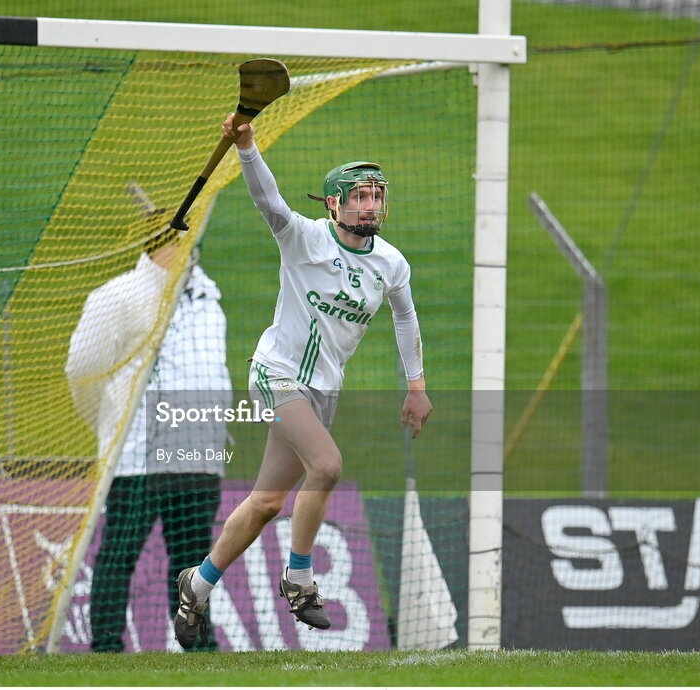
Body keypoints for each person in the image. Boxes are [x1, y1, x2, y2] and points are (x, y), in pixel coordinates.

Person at [173, 114, 433, 649]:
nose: (370, 205)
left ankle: (196, 585)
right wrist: (246, 146)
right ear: (334, 204)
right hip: (275, 374)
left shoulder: (391, 264)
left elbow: (405, 319)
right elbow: (268, 200)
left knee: (267, 502)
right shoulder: (304, 238)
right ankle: (298, 577)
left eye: (376, 196)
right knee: (328, 466)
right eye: (359, 196)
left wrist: (416, 386)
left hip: (321, 391)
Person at [66, 215, 230, 653]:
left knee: (195, 562)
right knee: (120, 553)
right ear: (160, 244)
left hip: (197, 458)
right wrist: (111, 425)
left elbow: (215, 372)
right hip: (138, 455)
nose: (193, 249)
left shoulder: (207, 297)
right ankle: (105, 647)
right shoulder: (118, 296)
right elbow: (81, 372)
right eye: (184, 240)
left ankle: (198, 646)